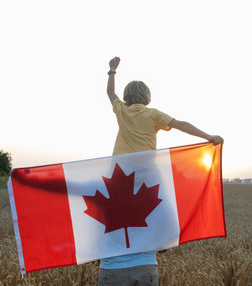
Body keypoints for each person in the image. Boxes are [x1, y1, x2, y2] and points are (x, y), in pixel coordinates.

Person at [97, 57, 223, 286]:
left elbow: (110, 93)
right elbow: (182, 124)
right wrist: (208, 137)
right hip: (147, 174)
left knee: (109, 211)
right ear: (147, 97)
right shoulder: (152, 113)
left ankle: (106, 249)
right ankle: (162, 242)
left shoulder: (122, 111)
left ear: (127, 97)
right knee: (162, 206)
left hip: (119, 176)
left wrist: (112, 70)